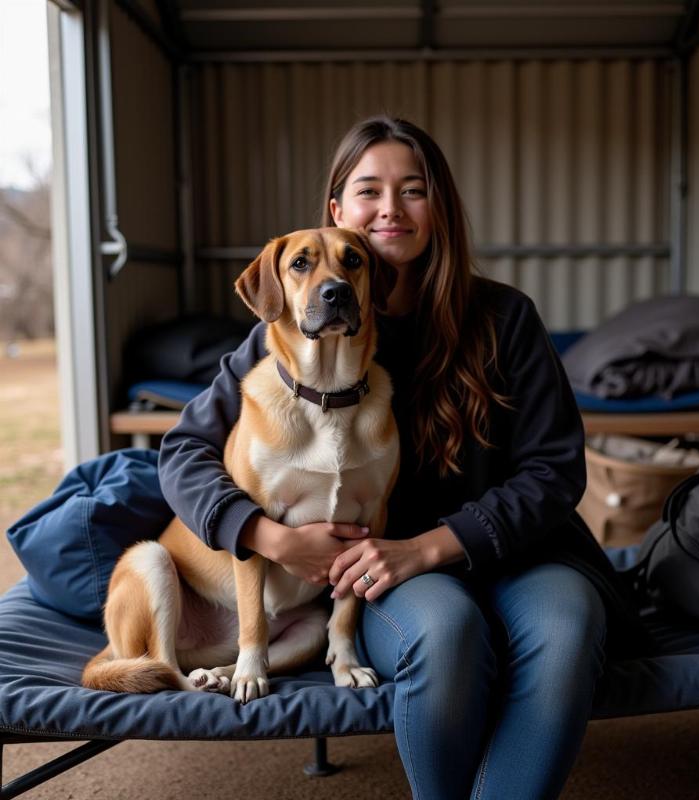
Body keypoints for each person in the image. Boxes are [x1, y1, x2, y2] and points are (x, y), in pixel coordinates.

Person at [159, 116, 641, 799]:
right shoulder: (285, 337)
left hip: (521, 552)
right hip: (382, 576)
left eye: (414, 190)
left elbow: (555, 472)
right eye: (369, 191)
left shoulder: (506, 319)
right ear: (339, 210)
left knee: (566, 631)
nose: (391, 208)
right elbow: (183, 451)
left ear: (438, 206)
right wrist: (268, 536)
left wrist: (432, 545)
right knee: (445, 633)